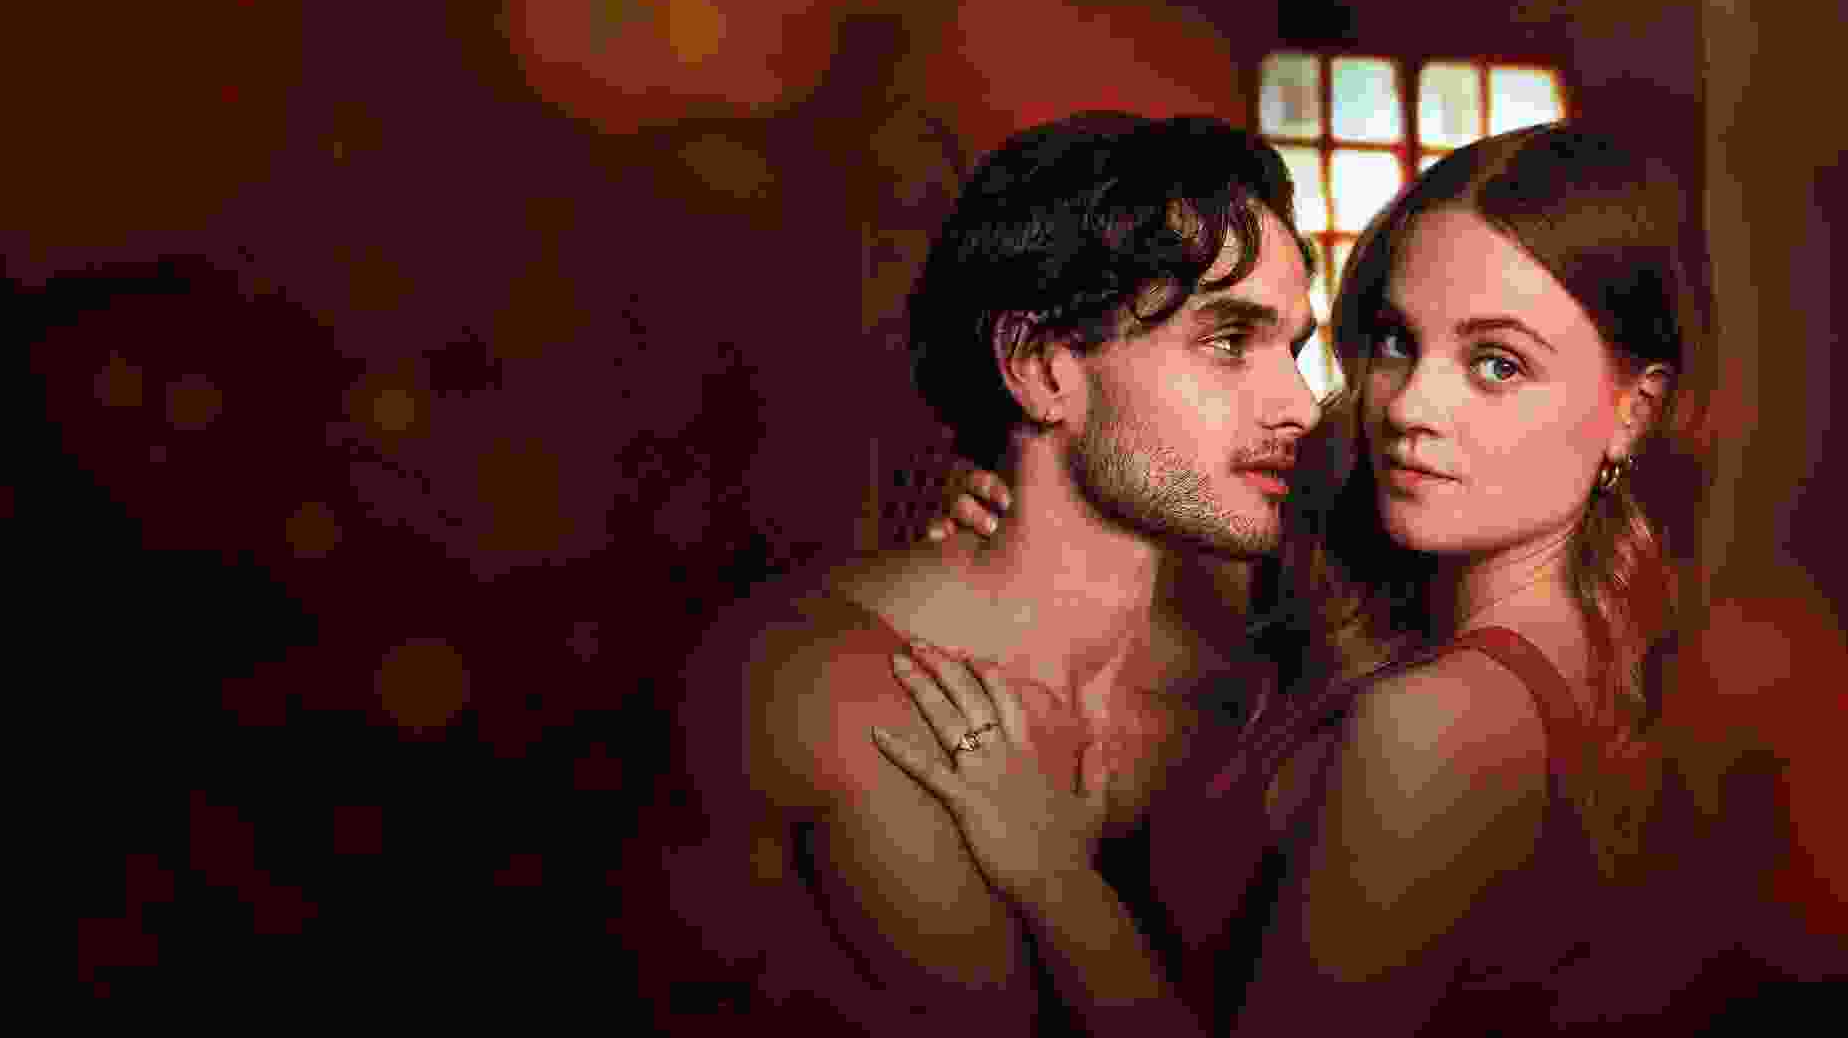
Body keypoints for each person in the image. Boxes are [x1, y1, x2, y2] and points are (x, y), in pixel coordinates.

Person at [876, 121, 1715, 1033]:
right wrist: (1021, 490)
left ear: (1633, 409)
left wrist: (1048, 870)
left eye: (1496, 364)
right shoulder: (1600, 642)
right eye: (1396, 342)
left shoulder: (1440, 722)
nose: (1413, 405)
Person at [661, 111, 1322, 1034]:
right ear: (1040, 368)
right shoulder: (842, 696)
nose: (1301, 406)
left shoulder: (1248, 691)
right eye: (1227, 341)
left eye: (1294, 349)